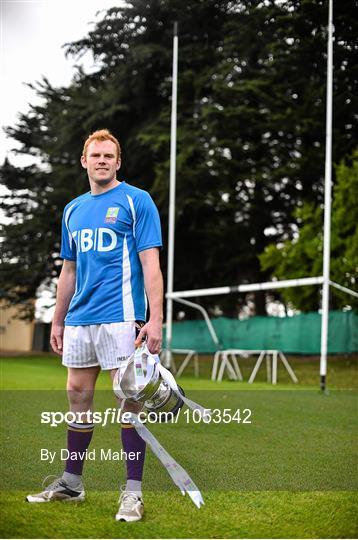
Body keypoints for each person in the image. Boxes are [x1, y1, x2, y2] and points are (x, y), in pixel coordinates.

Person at [26, 129, 164, 522]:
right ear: (84, 161)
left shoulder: (137, 201)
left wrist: (155, 319)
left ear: (118, 162)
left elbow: (151, 264)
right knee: (76, 395)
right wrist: (57, 318)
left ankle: (132, 493)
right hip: (80, 319)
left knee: (128, 400)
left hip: (122, 316)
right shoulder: (72, 209)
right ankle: (71, 483)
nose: (102, 160)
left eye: (109, 155)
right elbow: (68, 270)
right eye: (95, 155)